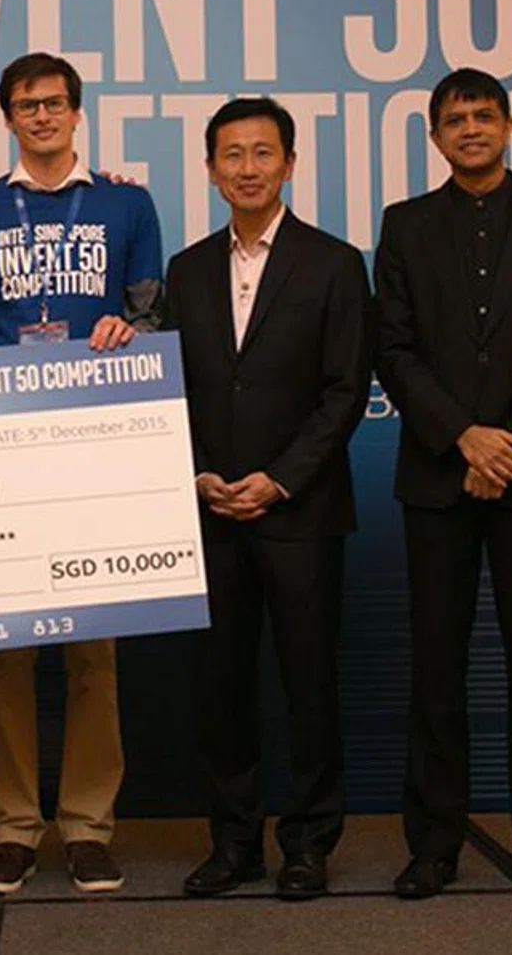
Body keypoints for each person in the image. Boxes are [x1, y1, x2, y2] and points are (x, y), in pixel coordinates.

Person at [373, 67, 512, 902]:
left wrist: (508, 444)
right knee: (437, 668)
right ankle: (433, 847)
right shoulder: (403, 227)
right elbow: (392, 349)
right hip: (438, 476)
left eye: (483, 114)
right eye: (453, 119)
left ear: (508, 126)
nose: (469, 128)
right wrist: (460, 436)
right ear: (434, 138)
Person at [0, 52, 164, 894]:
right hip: (0, 447)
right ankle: (12, 827)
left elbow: (150, 314)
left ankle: (87, 826)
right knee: (5, 653)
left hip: (94, 445)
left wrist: (126, 333)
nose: (42, 116)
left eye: (55, 103)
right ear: (7, 117)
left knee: (92, 649)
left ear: (77, 113)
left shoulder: (125, 202)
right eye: (26, 105)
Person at [163, 98, 372, 901]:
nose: (247, 168)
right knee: (220, 690)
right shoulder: (185, 271)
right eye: (231, 155)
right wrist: (203, 472)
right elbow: (172, 390)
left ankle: (309, 843)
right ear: (211, 170)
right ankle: (234, 842)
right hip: (210, 510)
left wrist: (281, 478)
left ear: (289, 164)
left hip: (302, 513)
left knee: (309, 685)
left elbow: (346, 388)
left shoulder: (334, 262)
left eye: (262, 153)